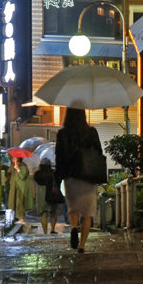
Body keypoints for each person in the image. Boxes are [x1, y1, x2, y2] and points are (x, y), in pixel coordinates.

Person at [54, 107, 103, 253]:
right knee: (87, 214)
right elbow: (99, 152)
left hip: (71, 177)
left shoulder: (62, 134)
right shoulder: (91, 132)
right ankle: (81, 246)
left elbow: (59, 158)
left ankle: (74, 228)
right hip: (88, 177)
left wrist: (58, 180)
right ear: (83, 115)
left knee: (72, 208)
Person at [33, 158, 64, 234]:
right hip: (51, 195)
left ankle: (44, 231)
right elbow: (59, 180)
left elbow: (35, 180)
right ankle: (52, 229)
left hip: (41, 196)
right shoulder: (53, 173)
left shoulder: (38, 174)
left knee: (43, 213)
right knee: (53, 212)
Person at [7, 156, 33, 222]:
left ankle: (21, 219)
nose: (13, 159)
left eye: (14, 158)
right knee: (12, 203)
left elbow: (22, 176)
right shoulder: (12, 166)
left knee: (20, 204)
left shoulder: (23, 166)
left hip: (20, 188)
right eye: (12, 158)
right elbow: (8, 173)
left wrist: (17, 168)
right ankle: (13, 218)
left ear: (18, 159)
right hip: (13, 188)